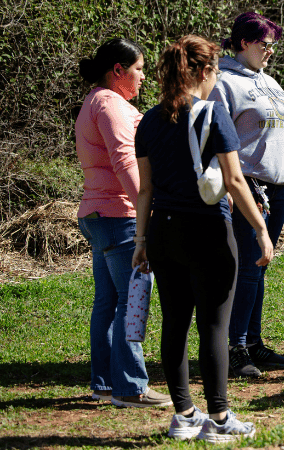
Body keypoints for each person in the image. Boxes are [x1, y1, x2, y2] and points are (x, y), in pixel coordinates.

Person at [132, 34, 273, 442]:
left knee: (174, 321)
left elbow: (145, 190)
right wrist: (261, 229)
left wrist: (141, 241)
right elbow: (233, 180)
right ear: (204, 71)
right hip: (208, 229)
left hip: (163, 230)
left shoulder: (149, 120)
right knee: (214, 325)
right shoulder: (213, 113)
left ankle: (184, 416)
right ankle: (221, 419)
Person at [75, 38, 172, 409]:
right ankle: (130, 388)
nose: (144, 77)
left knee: (108, 301)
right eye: (139, 69)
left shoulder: (96, 101)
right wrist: (145, 217)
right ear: (118, 70)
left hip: (99, 215)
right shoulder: (111, 106)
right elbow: (126, 163)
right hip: (119, 217)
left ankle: (104, 384)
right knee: (132, 300)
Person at [208, 12, 284, 378]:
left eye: (273, 46)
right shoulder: (225, 82)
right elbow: (218, 138)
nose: (270, 52)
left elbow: (283, 134)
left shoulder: (268, 81)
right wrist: (231, 185)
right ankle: (234, 349)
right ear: (244, 42)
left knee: (259, 267)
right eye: (265, 45)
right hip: (248, 185)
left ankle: (253, 342)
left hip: (277, 187)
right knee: (247, 268)